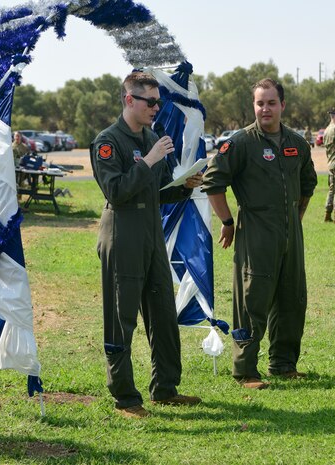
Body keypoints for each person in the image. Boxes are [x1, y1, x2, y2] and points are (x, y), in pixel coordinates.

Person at [91, 71, 202, 418]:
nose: (156, 107)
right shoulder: (108, 141)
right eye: (150, 102)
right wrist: (150, 160)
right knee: (121, 318)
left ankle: (165, 388)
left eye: (158, 101)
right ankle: (125, 397)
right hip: (123, 235)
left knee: (163, 315)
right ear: (129, 100)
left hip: (151, 235)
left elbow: (156, 192)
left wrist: (184, 186)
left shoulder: (152, 135)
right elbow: (117, 192)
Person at [202, 78, 317, 390]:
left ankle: (283, 363)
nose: (265, 108)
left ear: (282, 105)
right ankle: (245, 370)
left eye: (271, 102)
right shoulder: (240, 144)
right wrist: (227, 221)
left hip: (291, 234)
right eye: (259, 103)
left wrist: (295, 217)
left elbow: (308, 184)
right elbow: (213, 182)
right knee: (252, 300)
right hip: (256, 232)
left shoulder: (297, 143)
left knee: (292, 299)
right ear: (253, 106)